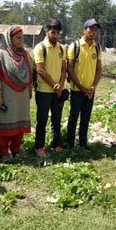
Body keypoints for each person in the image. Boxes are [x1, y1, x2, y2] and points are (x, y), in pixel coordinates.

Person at [0, 26, 32, 162]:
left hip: (22, 95)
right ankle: (3, 152)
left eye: (22, 37)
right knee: (6, 122)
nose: (21, 40)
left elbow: (29, 73)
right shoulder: (0, 54)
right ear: (9, 38)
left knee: (19, 122)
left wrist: (29, 89)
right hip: (7, 94)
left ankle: (16, 149)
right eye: (18, 38)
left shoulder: (23, 53)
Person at [33, 18, 67, 158]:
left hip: (57, 91)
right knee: (42, 120)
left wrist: (60, 85)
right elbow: (40, 70)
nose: (55, 35)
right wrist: (54, 85)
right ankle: (39, 147)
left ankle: (56, 144)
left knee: (56, 119)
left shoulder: (61, 48)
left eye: (58, 33)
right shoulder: (40, 48)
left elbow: (64, 68)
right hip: (43, 91)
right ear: (47, 31)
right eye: (53, 32)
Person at [66, 18, 102, 150]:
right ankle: (70, 144)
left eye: (95, 29)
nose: (92, 32)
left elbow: (99, 69)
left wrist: (94, 86)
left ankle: (82, 144)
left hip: (90, 91)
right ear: (84, 30)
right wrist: (81, 87)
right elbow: (69, 69)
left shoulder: (97, 48)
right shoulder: (74, 46)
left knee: (85, 118)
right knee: (73, 117)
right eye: (90, 29)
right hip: (77, 90)